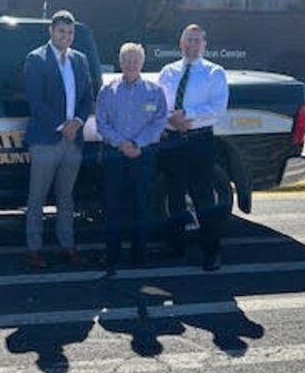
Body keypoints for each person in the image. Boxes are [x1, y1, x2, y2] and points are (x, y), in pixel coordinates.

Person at [24, 10, 94, 269]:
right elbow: (35, 101)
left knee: (66, 198)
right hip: (46, 138)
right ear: (51, 31)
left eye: (70, 32)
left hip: (73, 139)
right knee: (37, 198)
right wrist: (61, 124)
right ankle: (34, 249)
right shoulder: (36, 59)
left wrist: (78, 121)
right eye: (61, 31)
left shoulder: (80, 60)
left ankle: (68, 245)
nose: (66, 36)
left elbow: (88, 96)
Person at [158, 23, 229, 271]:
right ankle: (176, 246)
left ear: (204, 44)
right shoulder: (168, 71)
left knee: (203, 198)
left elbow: (217, 110)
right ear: (181, 42)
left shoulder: (215, 73)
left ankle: (212, 251)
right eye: (189, 39)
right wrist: (170, 118)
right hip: (172, 140)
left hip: (199, 141)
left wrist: (186, 114)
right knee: (174, 195)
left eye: (197, 40)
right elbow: (160, 104)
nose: (192, 44)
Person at [95, 43, 167, 272]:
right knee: (113, 206)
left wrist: (137, 144)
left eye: (135, 59)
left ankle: (139, 255)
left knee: (142, 205)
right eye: (127, 59)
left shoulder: (154, 91)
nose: (131, 63)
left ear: (142, 62)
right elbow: (101, 123)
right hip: (115, 155)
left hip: (142, 155)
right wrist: (122, 144)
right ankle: (112, 255)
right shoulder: (108, 91)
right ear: (120, 61)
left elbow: (159, 121)